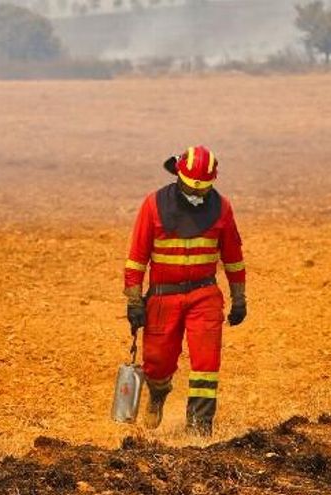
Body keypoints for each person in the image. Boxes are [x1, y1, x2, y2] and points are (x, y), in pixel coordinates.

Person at [124, 145, 247, 436]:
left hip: (204, 295)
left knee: (207, 362)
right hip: (163, 297)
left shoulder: (223, 208)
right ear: (177, 175)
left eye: (203, 190)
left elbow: (233, 257)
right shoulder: (153, 205)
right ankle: (158, 392)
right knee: (157, 361)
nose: (197, 195)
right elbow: (136, 257)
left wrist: (239, 298)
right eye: (193, 188)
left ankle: (199, 429)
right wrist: (134, 301)